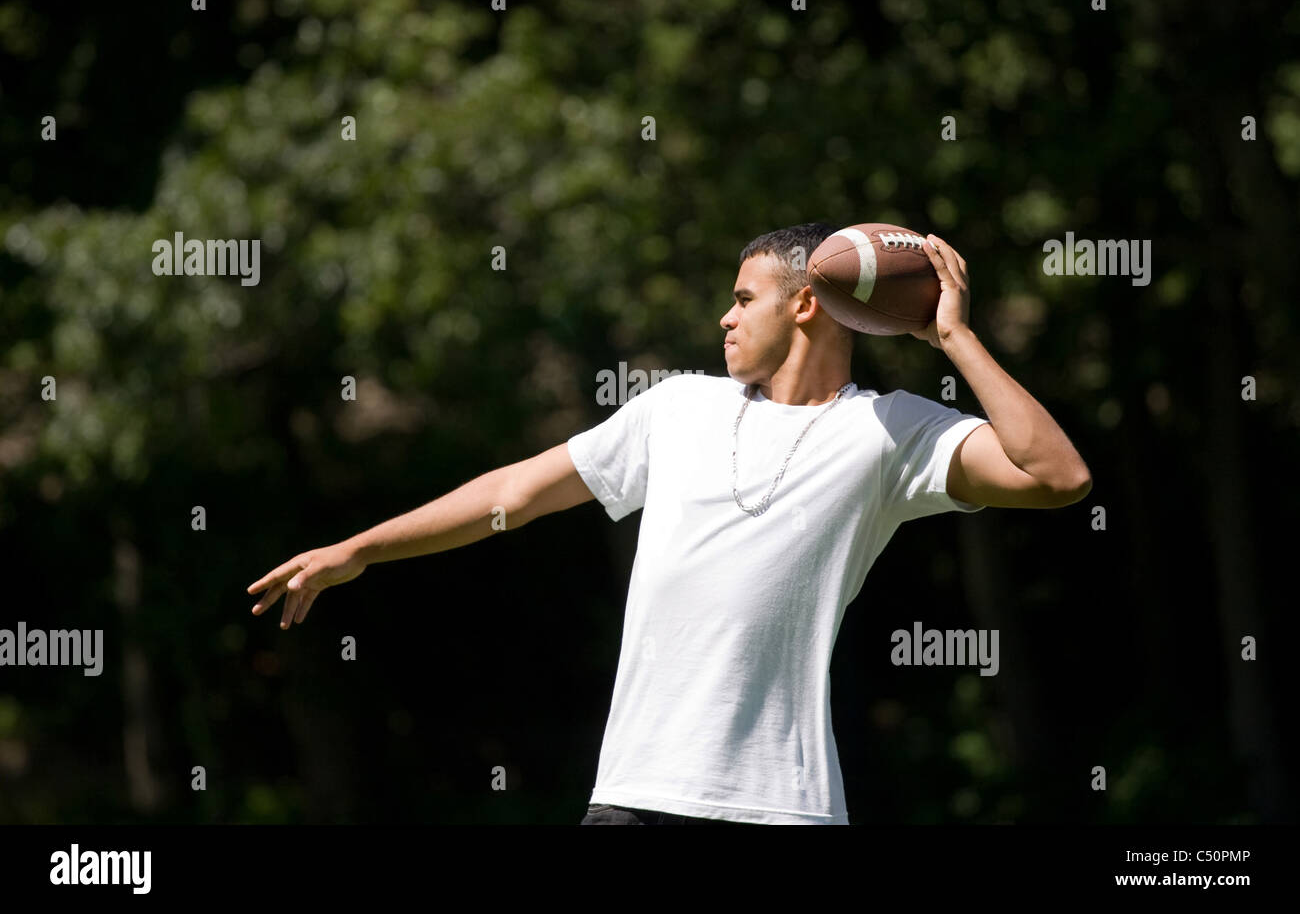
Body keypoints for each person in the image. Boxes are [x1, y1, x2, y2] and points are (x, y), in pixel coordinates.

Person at [247, 223, 1091, 825]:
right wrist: (358, 548)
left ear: (807, 304)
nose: (724, 317)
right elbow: (514, 491)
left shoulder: (890, 429)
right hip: (636, 797)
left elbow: (1056, 476)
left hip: (783, 807)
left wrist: (955, 338)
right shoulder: (676, 407)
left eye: (743, 298)